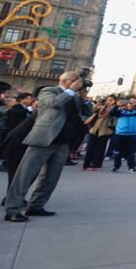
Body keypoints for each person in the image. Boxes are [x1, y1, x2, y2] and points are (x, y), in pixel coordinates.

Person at [5, 72, 86, 222]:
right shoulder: (49, 91)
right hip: (44, 139)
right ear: (66, 81)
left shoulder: (74, 96)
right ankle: (12, 209)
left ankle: (36, 206)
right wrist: (70, 90)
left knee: (50, 178)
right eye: (77, 81)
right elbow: (54, 104)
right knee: (25, 175)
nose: (80, 84)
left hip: (63, 142)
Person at [82, 96, 116, 170]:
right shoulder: (102, 107)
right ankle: (86, 164)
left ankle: (96, 165)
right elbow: (94, 110)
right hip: (95, 128)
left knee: (100, 149)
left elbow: (114, 114)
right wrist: (99, 103)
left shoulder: (114, 109)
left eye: (111, 100)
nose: (108, 101)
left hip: (105, 130)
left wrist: (111, 107)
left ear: (114, 101)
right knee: (90, 147)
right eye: (108, 100)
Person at [110, 98, 136, 173]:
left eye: (132, 103)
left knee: (131, 152)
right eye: (129, 103)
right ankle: (116, 166)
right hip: (120, 134)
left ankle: (131, 167)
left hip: (133, 134)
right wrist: (116, 105)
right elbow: (112, 113)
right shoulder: (121, 111)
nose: (130, 104)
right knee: (118, 152)